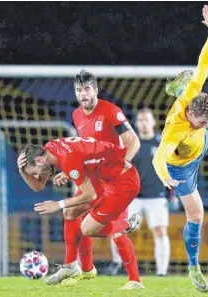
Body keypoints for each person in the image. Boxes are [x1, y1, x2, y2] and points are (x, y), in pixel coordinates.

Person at [152, 5, 208, 293]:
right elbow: (159, 157)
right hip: (183, 166)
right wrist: (165, 177)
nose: (199, 124)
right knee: (197, 216)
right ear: (189, 113)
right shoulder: (176, 129)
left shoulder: (197, 103)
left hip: (198, 142)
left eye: (201, 122)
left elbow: (205, 62)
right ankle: (194, 267)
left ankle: (177, 88)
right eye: (197, 122)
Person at [18, 137, 144, 289]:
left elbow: (90, 195)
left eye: (34, 172)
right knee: (70, 212)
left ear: (39, 160)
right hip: (103, 178)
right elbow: (38, 186)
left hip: (123, 183)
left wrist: (57, 204)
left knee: (88, 229)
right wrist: (22, 171)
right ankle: (70, 265)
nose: (37, 176)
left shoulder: (68, 159)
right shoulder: (50, 149)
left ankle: (127, 224)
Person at [69, 70, 142, 286]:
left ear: (96, 90)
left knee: (114, 232)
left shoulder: (111, 111)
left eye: (87, 89)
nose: (83, 94)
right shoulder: (76, 115)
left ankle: (135, 280)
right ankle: (86, 269)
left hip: (115, 182)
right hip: (92, 179)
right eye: (79, 90)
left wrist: (119, 168)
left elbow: (133, 142)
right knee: (72, 215)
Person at [109, 108, 171, 276]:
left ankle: (162, 272)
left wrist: (173, 193)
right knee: (119, 228)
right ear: (136, 123)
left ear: (153, 122)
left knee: (160, 231)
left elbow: (171, 169)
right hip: (133, 197)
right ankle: (117, 263)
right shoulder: (131, 144)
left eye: (147, 120)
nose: (144, 123)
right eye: (141, 120)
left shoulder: (161, 143)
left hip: (157, 196)